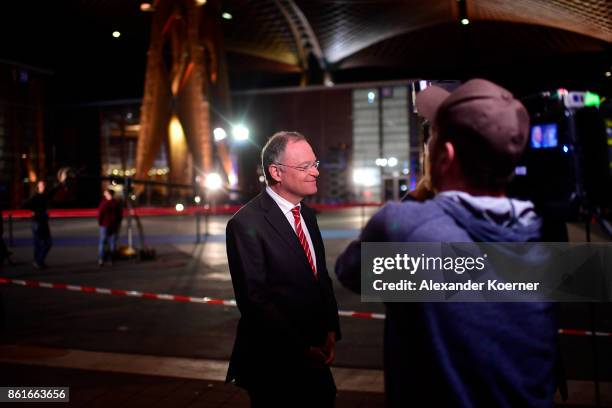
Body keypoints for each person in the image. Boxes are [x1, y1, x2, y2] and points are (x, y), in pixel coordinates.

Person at [336, 79, 557, 407]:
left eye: (434, 135)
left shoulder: (407, 229)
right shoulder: (537, 239)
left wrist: (425, 189)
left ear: (445, 155)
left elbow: (349, 269)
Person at [225, 131, 341, 408]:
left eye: (315, 164)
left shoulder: (308, 216)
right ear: (275, 172)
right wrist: (303, 349)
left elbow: (320, 277)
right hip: (274, 363)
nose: (315, 172)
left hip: (316, 354)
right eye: (305, 167)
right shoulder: (245, 223)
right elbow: (255, 301)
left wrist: (330, 329)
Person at [23, 173, 67, 269]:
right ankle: (38, 261)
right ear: (38, 187)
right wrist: (34, 211)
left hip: (43, 222)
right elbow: (24, 204)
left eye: (44, 185)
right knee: (40, 244)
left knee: (47, 243)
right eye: (41, 185)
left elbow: (54, 190)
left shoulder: (46, 196)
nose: (43, 187)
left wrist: (61, 181)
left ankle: (38, 261)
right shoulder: (35, 197)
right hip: (37, 223)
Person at [97, 189, 123, 266]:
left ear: (108, 194)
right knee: (112, 243)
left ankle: (101, 259)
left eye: (105, 193)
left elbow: (100, 215)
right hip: (114, 225)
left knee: (102, 243)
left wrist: (100, 223)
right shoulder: (116, 203)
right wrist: (118, 223)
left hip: (105, 225)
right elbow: (120, 215)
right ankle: (112, 260)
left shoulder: (104, 203)